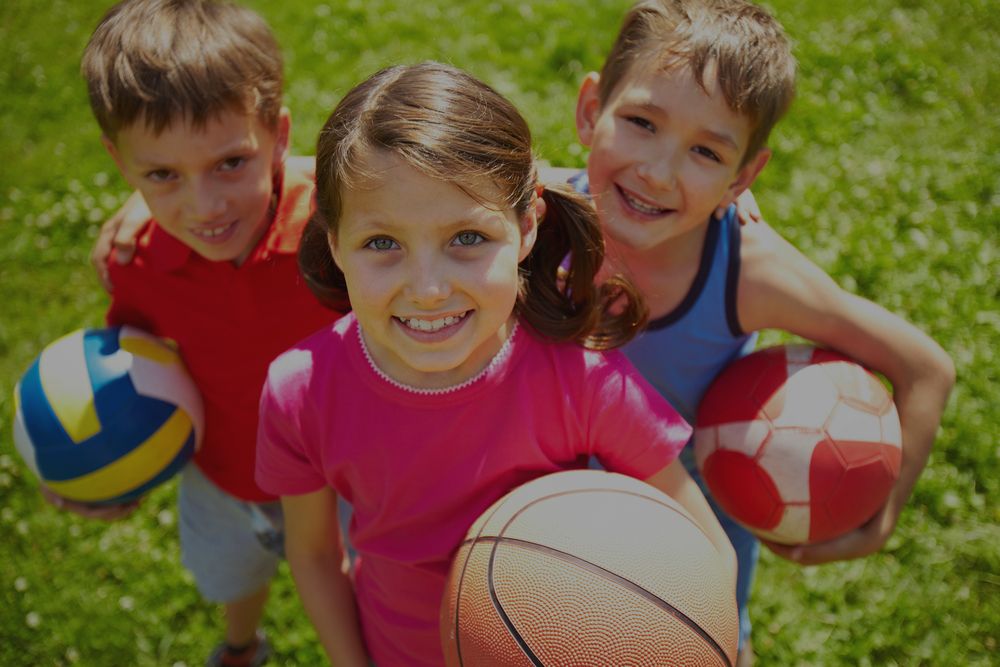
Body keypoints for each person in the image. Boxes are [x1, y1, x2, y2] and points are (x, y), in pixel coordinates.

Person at [253, 61, 737, 667]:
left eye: (468, 239)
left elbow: (706, 543)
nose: (428, 289)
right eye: (383, 244)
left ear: (527, 225)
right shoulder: (300, 392)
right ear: (335, 245)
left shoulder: (580, 379)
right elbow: (317, 557)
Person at [557, 0, 955, 664]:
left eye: (706, 152)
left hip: (690, 533)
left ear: (743, 176)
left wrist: (878, 520)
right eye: (640, 122)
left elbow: (926, 368)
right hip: (545, 519)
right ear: (590, 109)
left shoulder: (747, 270)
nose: (658, 170)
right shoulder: (533, 223)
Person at [50, 1, 343, 665]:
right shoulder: (139, 264)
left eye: (231, 163)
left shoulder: (340, 227)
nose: (204, 206)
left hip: (347, 473)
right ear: (119, 163)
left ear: (279, 134)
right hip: (223, 475)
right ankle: (242, 644)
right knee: (232, 577)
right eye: (162, 175)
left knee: (357, 592)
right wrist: (102, 472)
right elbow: (139, 379)